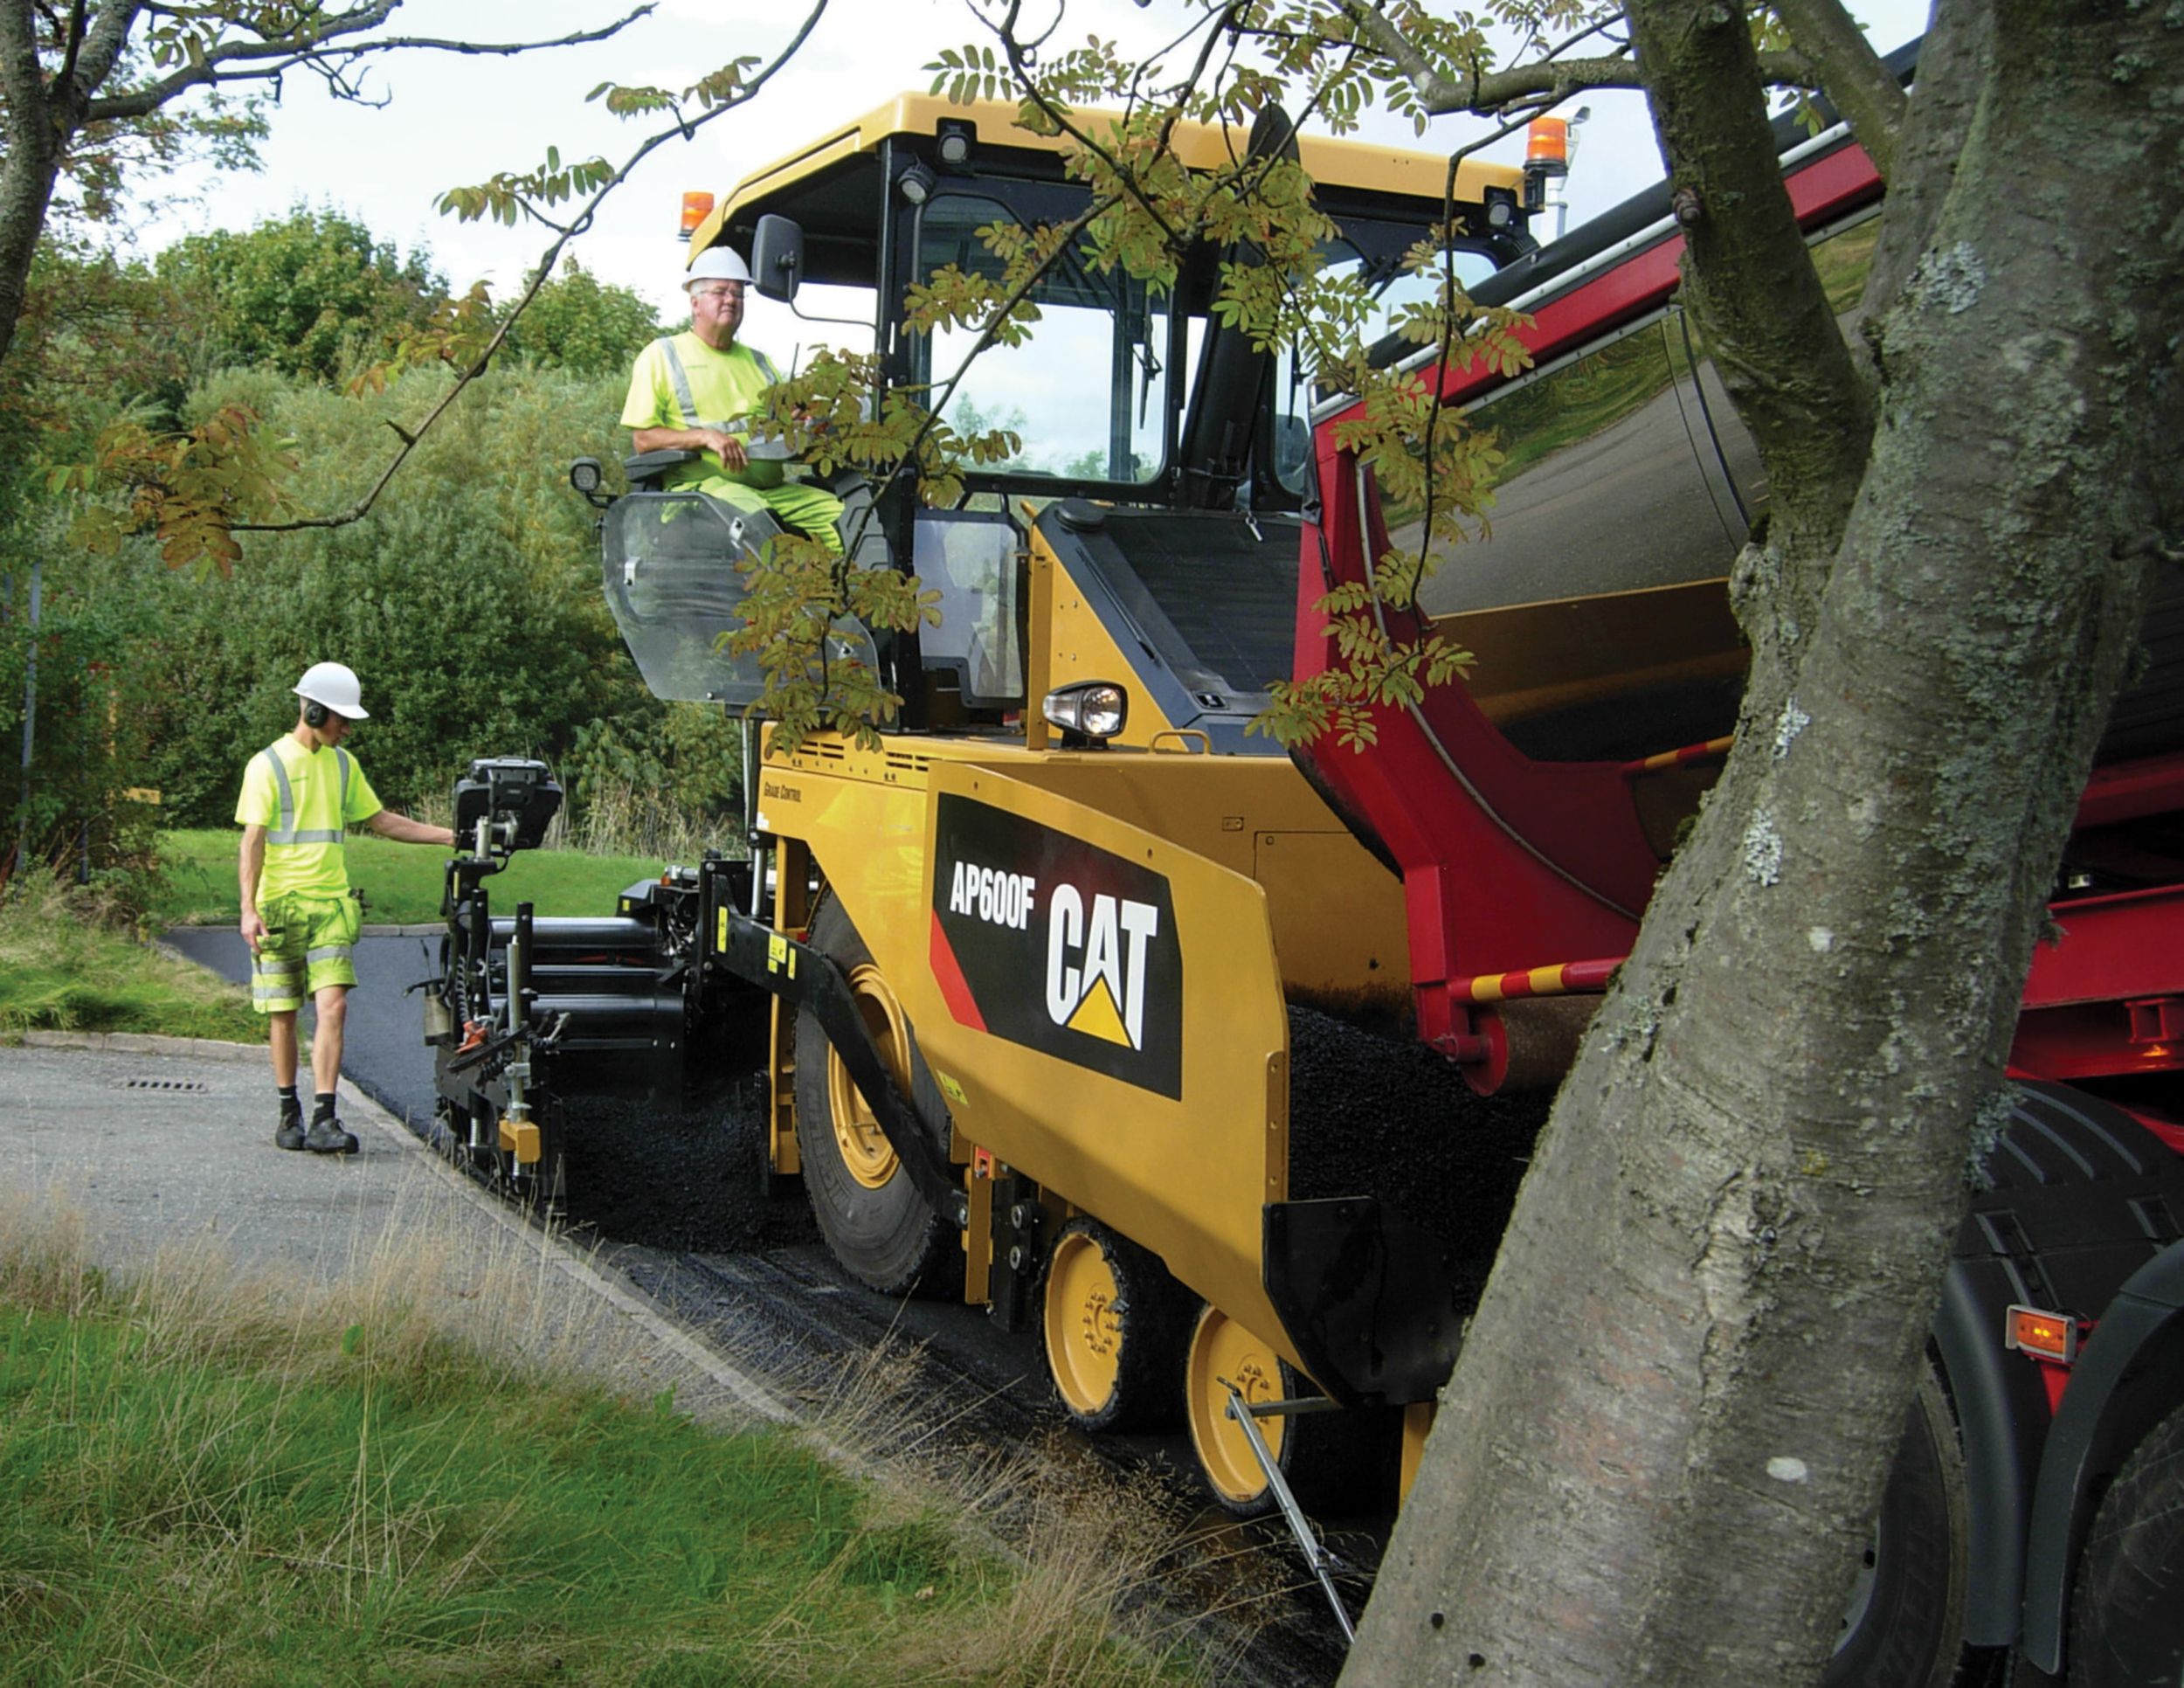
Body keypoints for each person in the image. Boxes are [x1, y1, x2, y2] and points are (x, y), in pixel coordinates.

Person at [236, 662, 454, 1154]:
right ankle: (288, 1110)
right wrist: (248, 909)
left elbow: (381, 821)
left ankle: (325, 1116)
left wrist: (452, 837)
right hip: (278, 908)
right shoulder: (266, 766)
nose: (347, 728)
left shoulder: (343, 765)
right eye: (340, 718)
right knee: (283, 1014)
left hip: (331, 905)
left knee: (333, 1006)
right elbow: (252, 842)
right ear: (312, 710)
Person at [620, 245, 845, 555]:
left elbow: (779, 425)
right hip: (704, 494)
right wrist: (705, 437)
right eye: (720, 292)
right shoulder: (663, 355)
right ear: (695, 303)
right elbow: (643, 440)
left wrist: (798, 421)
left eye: (738, 294)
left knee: (850, 522)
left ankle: (842, 600)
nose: (730, 300)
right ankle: (786, 600)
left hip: (771, 489)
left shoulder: (760, 362)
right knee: (763, 528)